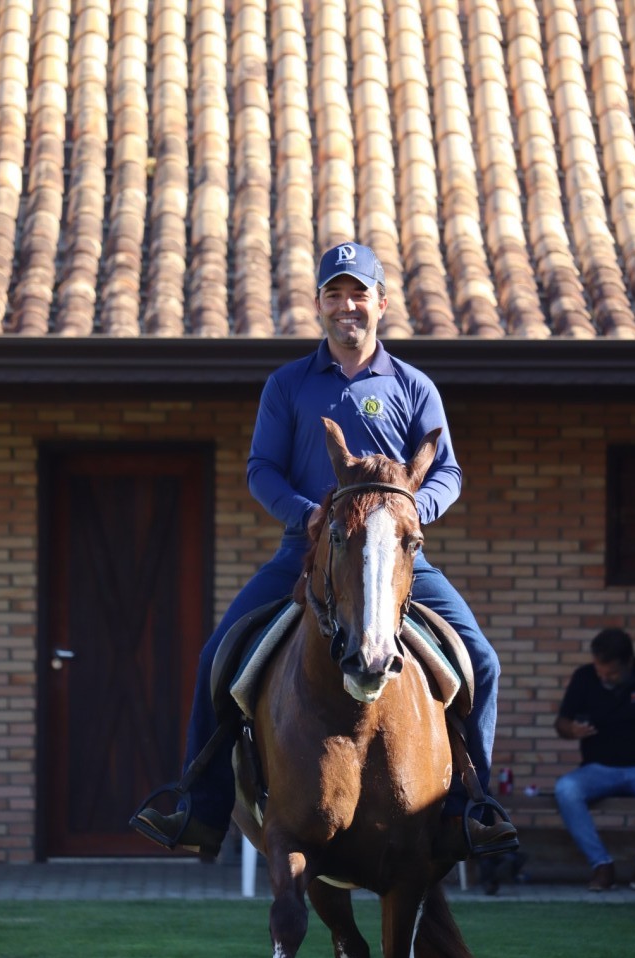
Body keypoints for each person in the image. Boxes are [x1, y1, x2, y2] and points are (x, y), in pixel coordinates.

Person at [130, 241, 517, 863]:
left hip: (395, 560)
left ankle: (468, 810)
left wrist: (407, 515)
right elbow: (262, 470)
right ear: (318, 305)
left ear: (381, 303)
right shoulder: (288, 385)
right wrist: (308, 515)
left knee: (483, 662)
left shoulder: (413, 386)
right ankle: (198, 807)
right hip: (306, 550)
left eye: (358, 294)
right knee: (216, 657)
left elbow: (447, 472)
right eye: (334, 295)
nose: (346, 306)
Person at [554, 628, 635, 892]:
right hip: (597, 770)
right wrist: (571, 730)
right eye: (600, 671)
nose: (603, 677)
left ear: (629, 662)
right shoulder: (585, 676)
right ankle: (602, 865)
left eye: (611, 673)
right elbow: (561, 722)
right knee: (566, 789)